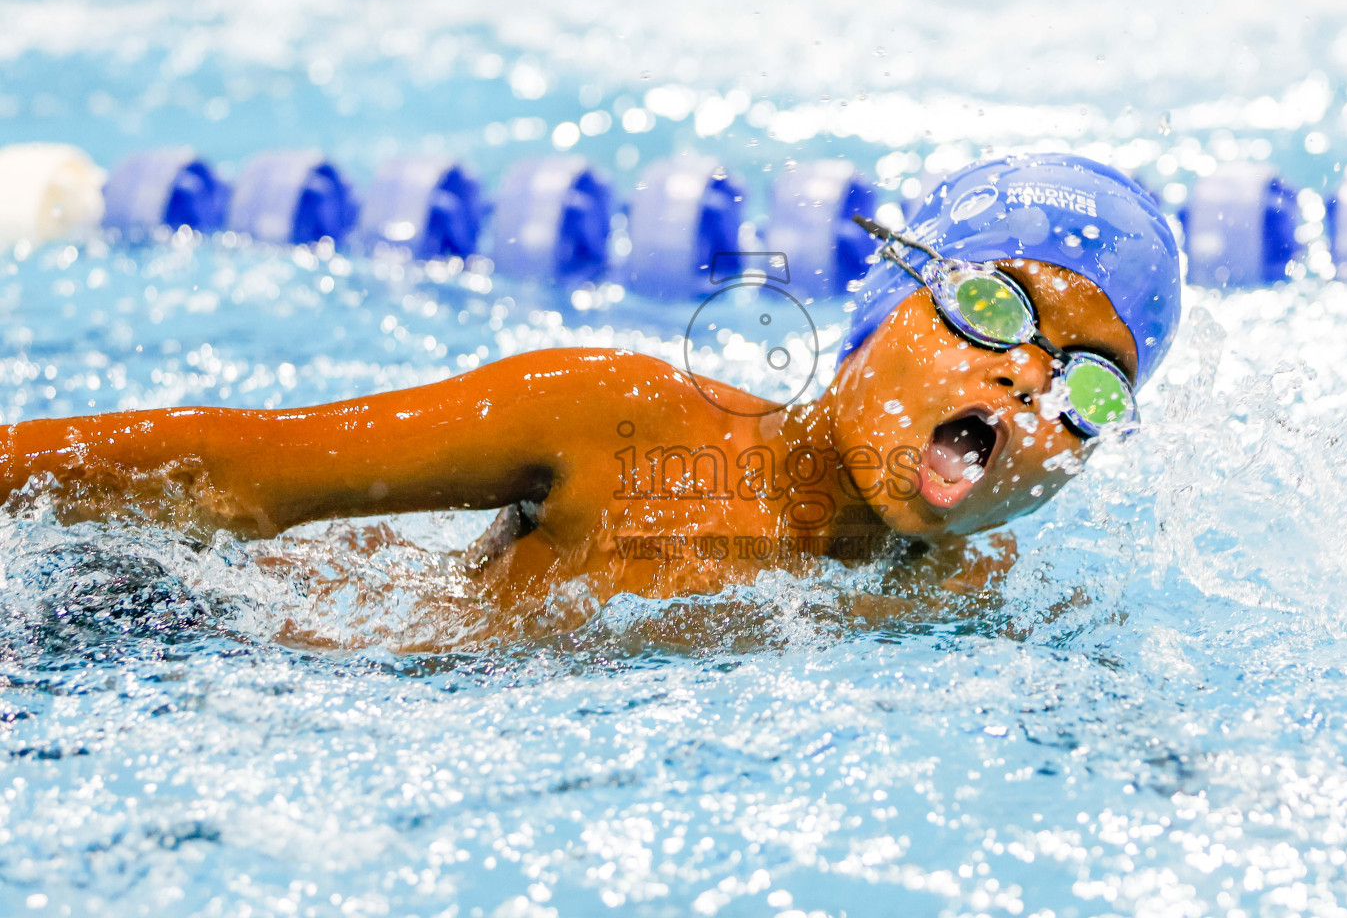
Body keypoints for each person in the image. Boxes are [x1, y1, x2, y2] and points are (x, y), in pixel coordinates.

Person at [0, 154, 1181, 643]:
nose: (1026, 385)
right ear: (881, 303)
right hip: (185, 634)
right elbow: (232, 471)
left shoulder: (970, 602)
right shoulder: (613, 425)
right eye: (994, 307)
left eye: (1089, 386)